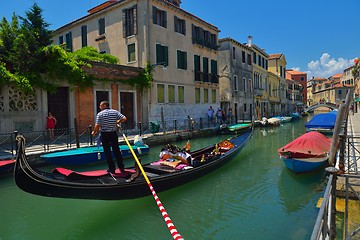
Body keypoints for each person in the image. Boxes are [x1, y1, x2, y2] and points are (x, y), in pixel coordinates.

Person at [91, 101, 127, 174]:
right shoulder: (115, 112)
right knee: (116, 151)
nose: (99, 107)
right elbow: (124, 118)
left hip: (105, 134)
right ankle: (121, 168)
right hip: (113, 133)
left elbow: (97, 125)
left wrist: (94, 132)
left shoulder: (100, 114)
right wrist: (117, 121)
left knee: (107, 152)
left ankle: (112, 169)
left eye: (100, 105)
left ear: (104, 105)